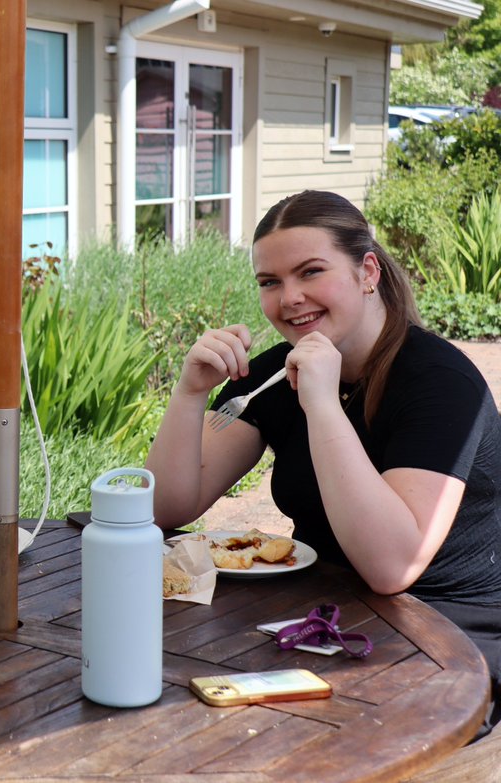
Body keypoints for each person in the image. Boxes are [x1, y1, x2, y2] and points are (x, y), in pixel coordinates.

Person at [146, 189, 501, 738]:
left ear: (367, 271)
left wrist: (319, 402)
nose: (289, 298)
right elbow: (168, 506)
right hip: (321, 610)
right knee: (172, 691)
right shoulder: (275, 373)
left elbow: (392, 567)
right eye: (270, 282)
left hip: (448, 634)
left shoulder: (440, 384)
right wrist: (190, 395)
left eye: (310, 272)